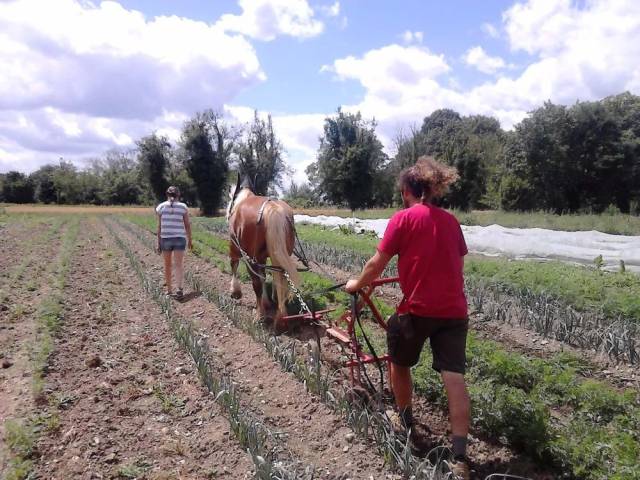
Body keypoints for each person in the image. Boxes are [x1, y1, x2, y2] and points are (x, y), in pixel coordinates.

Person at [345, 156, 471, 479]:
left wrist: (356, 284)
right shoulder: (451, 222)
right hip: (455, 312)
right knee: (454, 377)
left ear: (406, 191)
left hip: (418, 310)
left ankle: (404, 420)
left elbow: (376, 264)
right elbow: (456, 263)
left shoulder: (403, 219)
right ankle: (460, 457)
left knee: (398, 358)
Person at [156, 186, 193, 299]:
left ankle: (169, 290)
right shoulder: (183, 207)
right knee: (178, 265)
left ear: (167, 195)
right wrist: (190, 240)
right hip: (179, 239)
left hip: (165, 238)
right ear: (178, 195)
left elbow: (159, 226)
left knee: (167, 265)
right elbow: (187, 225)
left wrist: (158, 243)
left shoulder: (161, 207)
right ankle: (179, 289)